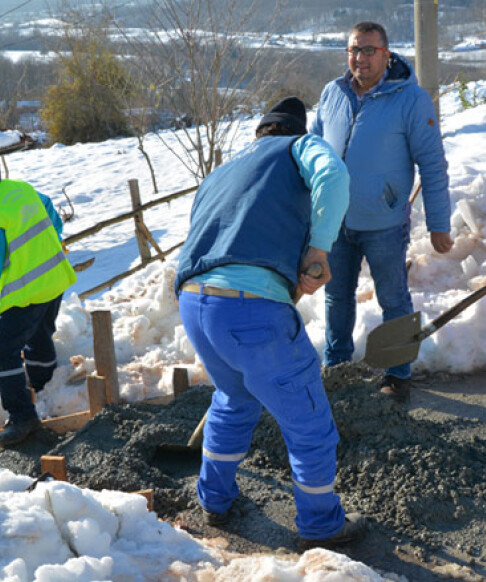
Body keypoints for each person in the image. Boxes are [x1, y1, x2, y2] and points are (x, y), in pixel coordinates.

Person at [176, 97, 367, 550]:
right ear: (291, 131)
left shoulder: (223, 170)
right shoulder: (299, 148)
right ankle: (322, 525)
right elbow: (335, 175)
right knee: (309, 423)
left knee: (233, 398)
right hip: (251, 308)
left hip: (196, 303)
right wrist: (319, 249)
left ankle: (214, 500)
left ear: (260, 132)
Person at [310, 21, 453, 403]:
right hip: (334, 223)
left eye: (369, 50)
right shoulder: (332, 93)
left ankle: (398, 373)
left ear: (387, 55)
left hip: (385, 223)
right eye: (354, 50)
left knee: (393, 299)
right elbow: (312, 154)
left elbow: (433, 164)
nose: (360, 58)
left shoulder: (411, 99)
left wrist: (439, 223)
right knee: (336, 297)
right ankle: (337, 367)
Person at [0, 151, 76, 446]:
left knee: (0, 351)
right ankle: (44, 387)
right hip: (55, 280)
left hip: (27, 293)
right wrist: (55, 239)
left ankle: (23, 417)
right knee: (38, 336)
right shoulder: (20, 189)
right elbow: (48, 206)